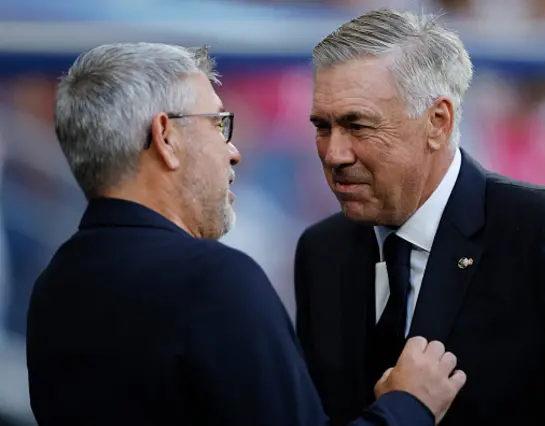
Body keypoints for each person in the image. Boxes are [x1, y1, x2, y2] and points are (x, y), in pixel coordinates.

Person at [25, 42, 467, 426]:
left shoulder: (52, 287)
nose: (233, 151)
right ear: (165, 136)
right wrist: (410, 404)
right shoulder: (211, 280)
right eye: (219, 124)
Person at [294, 8, 545, 426]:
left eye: (358, 126)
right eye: (323, 126)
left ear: (437, 122)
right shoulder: (322, 252)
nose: (334, 154)